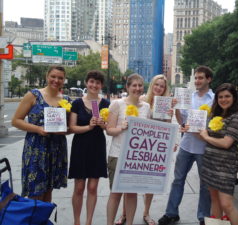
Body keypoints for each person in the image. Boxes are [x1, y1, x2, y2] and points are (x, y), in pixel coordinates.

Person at [115, 74, 174, 225]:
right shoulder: (141, 101)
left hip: (154, 149)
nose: (159, 88)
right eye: (156, 84)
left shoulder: (166, 105)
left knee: (151, 182)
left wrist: (169, 116)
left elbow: (168, 127)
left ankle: (146, 213)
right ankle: (124, 214)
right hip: (137, 147)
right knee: (128, 183)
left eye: (162, 86)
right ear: (152, 85)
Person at [158, 66, 214, 225]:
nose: (197, 81)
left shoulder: (214, 99)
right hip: (186, 145)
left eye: (200, 78)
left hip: (204, 148)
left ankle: (203, 216)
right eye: (196, 78)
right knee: (178, 180)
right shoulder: (189, 96)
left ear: (208, 79)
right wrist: (176, 107)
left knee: (205, 185)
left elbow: (218, 124)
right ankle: (171, 213)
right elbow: (182, 120)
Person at [11, 66, 70, 202]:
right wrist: (38, 129)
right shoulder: (33, 95)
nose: (56, 80)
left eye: (60, 78)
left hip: (56, 148)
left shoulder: (66, 99)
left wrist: (65, 129)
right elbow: (16, 121)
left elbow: (69, 126)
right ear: (47, 77)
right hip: (36, 148)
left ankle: (43, 220)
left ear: (64, 80)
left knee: (48, 189)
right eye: (53, 76)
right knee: (35, 190)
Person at [106, 73, 151, 225]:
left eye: (140, 86)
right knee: (115, 193)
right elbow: (109, 130)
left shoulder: (146, 107)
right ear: (128, 87)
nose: (137, 89)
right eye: (134, 85)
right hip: (117, 154)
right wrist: (121, 127)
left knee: (132, 193)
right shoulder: (117, 104)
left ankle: (130, 222)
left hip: (136, 158)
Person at [199, 83, 238, 225]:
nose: (224, 99)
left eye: (227, 96)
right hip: (210, 164)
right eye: (220, 97)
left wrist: (206, 137)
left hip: (225, 167)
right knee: (214, 200)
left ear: (234, 98)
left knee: (227, 205)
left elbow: (226, 143)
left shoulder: (236, 118)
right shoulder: (216, 115)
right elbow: (205, 134)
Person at [68, 70, 110, 225]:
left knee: (93, 187)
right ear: (87, 82)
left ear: (101, 86)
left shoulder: (105, 103)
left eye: (97, 83)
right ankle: (77, 221)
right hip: (80, 146)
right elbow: (72, 127)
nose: (94, 85)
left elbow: (109, 128)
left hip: (97, 146)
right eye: (92, 81)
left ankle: (89, 221)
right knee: (79, 187)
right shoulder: (77, 103)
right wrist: (88, 126)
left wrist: (103, 124)